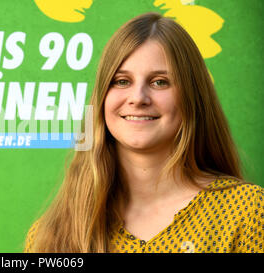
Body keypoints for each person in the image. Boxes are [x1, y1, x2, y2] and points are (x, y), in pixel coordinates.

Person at [24, 12, 263, 253]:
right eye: (121, 81)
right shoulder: (52, 235)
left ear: (192, 96)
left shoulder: (247, 212)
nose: (138, 98)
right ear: (102, 98)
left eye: (160, 82)